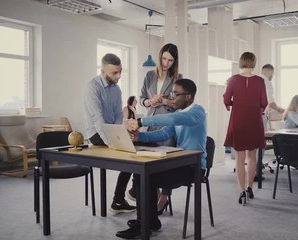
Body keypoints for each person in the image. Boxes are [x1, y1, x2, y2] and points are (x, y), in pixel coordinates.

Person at [116, 78, 207, 239]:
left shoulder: (197, 112)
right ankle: (149, 221)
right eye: (172, 93)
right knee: (142, 174)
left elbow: (172, 119)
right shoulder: (179, 112)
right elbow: (164, 133)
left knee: (146, 177)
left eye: (176, 94)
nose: (172, 97)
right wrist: (139, 136)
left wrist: (141, 121)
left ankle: (144, 224)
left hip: (194, 166)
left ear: (188, 97)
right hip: (179, 162)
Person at [83, 53, 136, 213]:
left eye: (120, 71)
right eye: (114, 73)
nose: (118, 76)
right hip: (96, 133)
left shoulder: (117, 89)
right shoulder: (92, 87)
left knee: (134, 153)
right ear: (103, 70)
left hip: (112, 131)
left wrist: (122, 133)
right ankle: (120, 199)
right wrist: (112, 142)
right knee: (129, 156)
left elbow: (119, 115)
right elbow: (97, 118)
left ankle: (121, 198)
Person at [139, 43, 182, 214]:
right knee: (149, 161)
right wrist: (149, 101)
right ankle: (154, 195)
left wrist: (163, 101)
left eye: (170, 60)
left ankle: (164, 198)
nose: (166, 63)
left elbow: (178, 103)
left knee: (165, 164)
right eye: (164, 58)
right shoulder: (149, 76)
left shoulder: (178, 78)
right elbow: (142, 98)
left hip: (167, 123)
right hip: (150, 122)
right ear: (159, 56)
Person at [223, 52, 268, 206]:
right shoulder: (260, 81)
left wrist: (230, 105)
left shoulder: (234, 79)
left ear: (240, 62)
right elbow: (264, 102)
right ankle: (250, 188)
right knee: (252, 157)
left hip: (238, 121)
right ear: (254, 63)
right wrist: (257, 109)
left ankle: (241, 191)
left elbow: (226, 98)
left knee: (240, 159)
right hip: (254, 121)